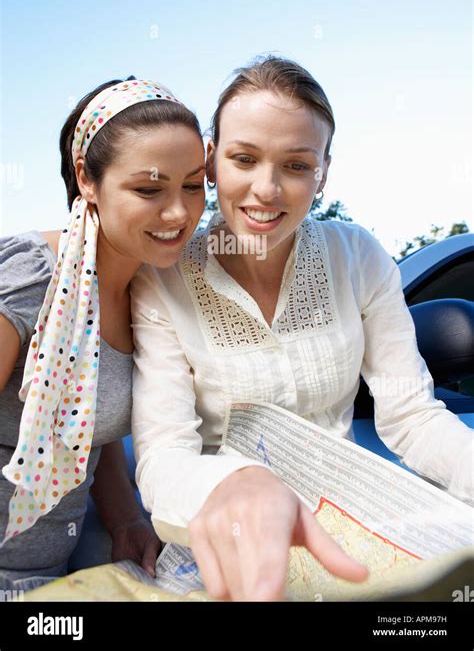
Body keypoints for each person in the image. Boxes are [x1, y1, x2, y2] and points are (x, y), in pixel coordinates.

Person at [131, 56, 474, 602]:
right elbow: (163, 455)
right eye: (244, 158)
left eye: (295, 165)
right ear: (211, 159)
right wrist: (230, 486)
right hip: (229, 535)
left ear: (323, 172)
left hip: (355, 524)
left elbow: (412, 416)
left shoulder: (356, 255)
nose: (266, 189)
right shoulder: (163, 277)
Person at [0, 76, 206, 585]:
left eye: (194, 185)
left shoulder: (150, 293)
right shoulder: (32, 279)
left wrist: (125, 520)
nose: (179, 211)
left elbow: (85, 426)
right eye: (149, 189)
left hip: (52, 577)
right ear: (86, 180)